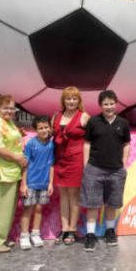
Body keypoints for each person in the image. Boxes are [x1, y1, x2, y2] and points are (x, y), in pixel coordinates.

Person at [81, 90, 131, 250]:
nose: (109, 107)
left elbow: (126, 144)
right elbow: (87, 143)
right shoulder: (94, 122)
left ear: (116, 104)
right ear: (100, 105)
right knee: (92, 204)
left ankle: (110, 231)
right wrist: (86, 164)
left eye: (111, 103)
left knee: (112, 203)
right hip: (94, 169)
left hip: (116, 170)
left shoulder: (123, 123)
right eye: (105, 104)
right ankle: (90, 235)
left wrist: (123, 164)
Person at [0, 95, 27, 253]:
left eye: (11, 108)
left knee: (7, 208)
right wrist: (17, 158)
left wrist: (19, 134)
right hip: (2, 172)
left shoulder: (7, 123)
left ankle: (2, 238)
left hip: (12, 171)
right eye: (5, 108)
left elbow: (9, 140)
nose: (9, 110)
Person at [52, 86, 90, 245]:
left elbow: (89, 141)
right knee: (63, 196)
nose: (71, 101)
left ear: (79, 101)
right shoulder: (56, 115)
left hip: (76, 160)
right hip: (60, 160)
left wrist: (87, 163)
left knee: (74, 196)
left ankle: (72, 229)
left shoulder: (84, 117)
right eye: (68, 98)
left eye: (74, 98)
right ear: (63, 100)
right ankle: (64, 227)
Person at [19, 115, 55, 250]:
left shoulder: (52, 144)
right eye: (40, 128)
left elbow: (51, 164)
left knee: (39, 209)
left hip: (44, 183)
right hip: (31, 183)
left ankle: (35, 233)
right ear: (35, 130)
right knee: (28, 210)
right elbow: (25, 165)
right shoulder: (31, 144)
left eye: (46, 127)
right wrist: (24, 184)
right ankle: (24, 236)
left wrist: (50, 183)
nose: (44, 130)